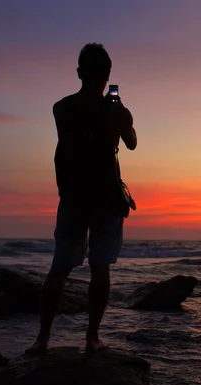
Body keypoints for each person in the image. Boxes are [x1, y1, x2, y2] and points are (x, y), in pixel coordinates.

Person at [26, 43, 137, 354]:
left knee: (59, 268)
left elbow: (73, 135)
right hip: (105, 198)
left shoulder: (61, 108)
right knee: (100, 269)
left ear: (79, 73)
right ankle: (92, 338)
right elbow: (131, 143)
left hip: (73, 197)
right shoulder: (117, 112)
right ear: (108, 76)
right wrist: (120, 114)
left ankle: (42, 339)